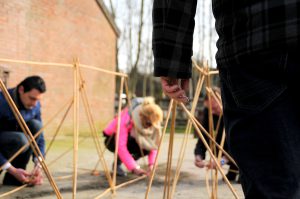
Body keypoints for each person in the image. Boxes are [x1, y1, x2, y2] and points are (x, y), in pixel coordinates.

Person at [153, 1, 300, 198]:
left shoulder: (222, 117)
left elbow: (230, 151)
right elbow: (203, 139)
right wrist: (199, 155)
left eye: (213, 101)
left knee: (275, 187)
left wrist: (221, 160)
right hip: (259, 43)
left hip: (254, 41)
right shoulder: (208, 117)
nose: (211, 105)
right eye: (208, 104)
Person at [0, 76, 46, 186]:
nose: (35, 104)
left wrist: (38, 164)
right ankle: (13, 173)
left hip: (18, 144)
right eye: (32, 98)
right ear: (21, 90)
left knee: (36, 125)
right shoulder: (2, 102)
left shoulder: (35, 105)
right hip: (4, 143)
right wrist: (11, 169)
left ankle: (15, 179)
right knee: (21, 140)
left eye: (37, 100)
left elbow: (40, 137)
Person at [103, 97, 163, 176]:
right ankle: (118, 165)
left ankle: (129, 160)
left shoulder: (153, 120)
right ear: (142, 117)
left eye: (152, 124)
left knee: (147, 148)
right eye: (149, 124)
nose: (150, 126)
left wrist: (152, 164)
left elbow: (153, 144)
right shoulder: (126, 119)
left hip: (132, 139)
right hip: (111, 139)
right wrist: (134, 168)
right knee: (127, 143)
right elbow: (121, 147)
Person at [194, 88, 239, 182]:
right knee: (214, 143)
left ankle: (239, 170)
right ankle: (234, 170)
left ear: (222, 101)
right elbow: (204, 136)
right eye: (209, 109)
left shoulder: (234, 110)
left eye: (214, 108)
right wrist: (199, 155)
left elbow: (241, 142)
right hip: (225, 147)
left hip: (238, 146)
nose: (212, 112)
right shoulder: (210, 112)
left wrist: (221, 161)